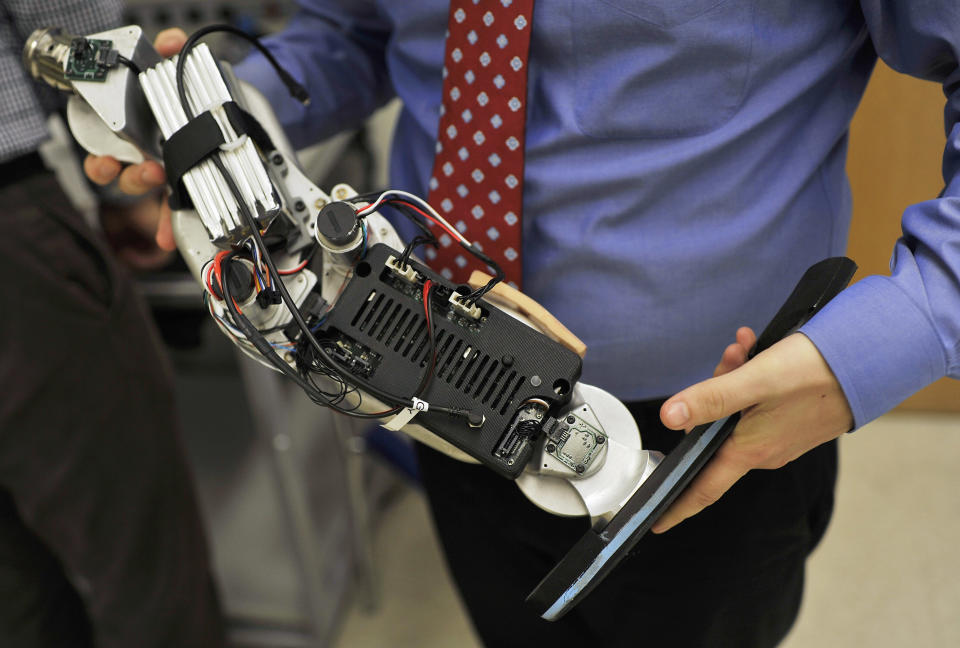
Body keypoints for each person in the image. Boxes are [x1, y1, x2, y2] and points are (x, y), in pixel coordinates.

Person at [86, 2, 960, 646]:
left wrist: (891, 336)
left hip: (713, 429)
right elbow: (358, 30)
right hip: (431, 370)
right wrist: (224, 129)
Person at [0, 2, 224, 646]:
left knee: (19, 597)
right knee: (145, 573)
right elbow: (80, 41)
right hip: (15, 261)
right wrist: (131, 185)